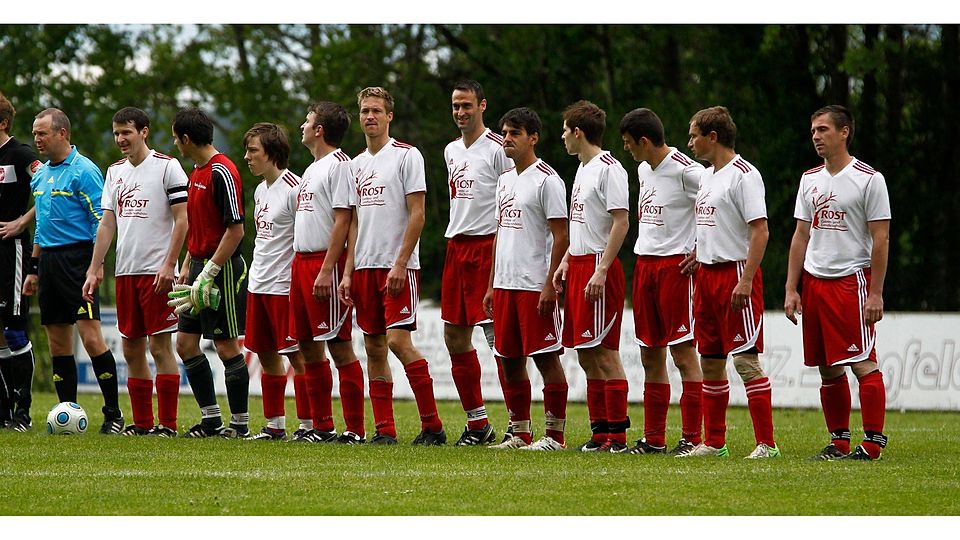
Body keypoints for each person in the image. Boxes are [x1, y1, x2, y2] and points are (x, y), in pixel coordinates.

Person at [339, 86, 445, 445]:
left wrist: (401, 263)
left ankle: (433, 425)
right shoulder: (354, 165)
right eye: (364, 111)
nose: (369, 116)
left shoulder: (406, 156)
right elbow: (352, 223)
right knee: (373, 347)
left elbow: (418, 214)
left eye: (376, 111)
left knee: (399, 341)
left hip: (396, 267)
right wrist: (348, 272)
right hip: (365, 267)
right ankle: (385, 429)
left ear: (389, 116)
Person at [785, 105, 890, 461]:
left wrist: (875, 292)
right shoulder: (809, 179)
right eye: (813, 130)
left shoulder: (868, 178)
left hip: (851, 281)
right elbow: (800, 235)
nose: (816, 136)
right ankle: (839, 441)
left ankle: (873, 442)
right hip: (815, 282)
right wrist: (791, 287)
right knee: (827, 367)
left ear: (844, 132)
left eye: (823, 129)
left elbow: (881, 238)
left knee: (861, 362)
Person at [81, 107, 187, 437]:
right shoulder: (114, 172)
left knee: (159, 347)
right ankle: (141, 424)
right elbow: (107, 223)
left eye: (126, 132)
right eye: (116, 133)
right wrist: (95, 267)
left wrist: (170, 263)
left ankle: (167, 425)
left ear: (143, 131)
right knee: (130, 347)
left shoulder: (168, 167)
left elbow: (183, 220)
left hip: (157, 272)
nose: (120, 139)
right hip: (126, 273)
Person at [680, 106, 778, 459]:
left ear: (713, 137)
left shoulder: (744, 175)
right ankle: (715, 442)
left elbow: (760, 230)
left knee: (745, 361)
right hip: (705, 276)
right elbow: (712, 222)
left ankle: (767, 444)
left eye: (694, 136)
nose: (689, 142)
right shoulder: (707, 176)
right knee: (710, 360)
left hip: (735, 274)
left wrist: (747, 279)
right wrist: (697, 250)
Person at [23, 108, 124, 433]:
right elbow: (40, 226)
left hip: (79, 261)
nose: (37, 139)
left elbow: (102, 222)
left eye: (43, 133)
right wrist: (34, 269)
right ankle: (67, 412)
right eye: (35, 133)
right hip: (50, 263)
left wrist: (96, 267)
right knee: (57, 342)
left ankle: (113, 415)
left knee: (91, 337)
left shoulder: (85, 171)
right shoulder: (39, 175)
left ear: (62, 133)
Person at [619, 108, 704, 456]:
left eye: (628, 144)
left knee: (683, 353)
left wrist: (703, 247)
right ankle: (654, 438)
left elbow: (719, 201)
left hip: (675, 269)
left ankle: (692, 437)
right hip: (645, 266)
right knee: (649, 354)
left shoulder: (688, 171)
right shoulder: (643, 169)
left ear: (644, 141)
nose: (626, 150)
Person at [484, 107, 570, 451]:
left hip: (534, 285)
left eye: (514, 133)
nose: (507, 139)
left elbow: (561, 236)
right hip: (505, 285)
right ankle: (519, 433)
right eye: (504, 133)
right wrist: (491, 284)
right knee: (509, 359)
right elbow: (499, 233)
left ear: (532, 138)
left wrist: (550, 283)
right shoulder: (504, 180)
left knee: (546, 357)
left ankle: (555, 436)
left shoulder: (548, 180)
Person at [553, 100, 630, 453]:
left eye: (566, 130)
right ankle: (600, 433)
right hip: (581, 263)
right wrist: (567, 259)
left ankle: (618, 435)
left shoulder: (608, 169)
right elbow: (582, 224)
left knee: (604, 353)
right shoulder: (582, 169)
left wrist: (600, 270)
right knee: (585, 353)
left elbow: (620, 221)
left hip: (599, 266)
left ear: (578, 132)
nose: (563, 136)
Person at [167, 107, 249, 438]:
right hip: (200, 266)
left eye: (176, 138)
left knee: (227, 347)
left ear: (187, 139)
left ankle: (240, 426)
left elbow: (236, 230)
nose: (175, 143)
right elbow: (198, 228)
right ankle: (211, 421)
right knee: (185, 344)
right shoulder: (195, 172)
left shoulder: (222, 172)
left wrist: (210, 270)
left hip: (223, 268)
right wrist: (188, 265)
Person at [290, 101, 367, 444]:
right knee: (307, 346)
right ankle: (321, 426)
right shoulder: (311, 169)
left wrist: (328, 271)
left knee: (338, 344)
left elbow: (344, 220)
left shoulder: (339, 165)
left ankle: (354, 429)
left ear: (319, 130)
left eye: (307, 122)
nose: (302, 127)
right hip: (301, 262)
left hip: (325, 263)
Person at [442, 80, 513, 446]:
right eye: (456, 106)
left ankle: (519, 423)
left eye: (467, 105)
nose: (460, 112)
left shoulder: (500, 149)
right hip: (457, 247)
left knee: (496, 339)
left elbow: (512, 202)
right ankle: (478, 424)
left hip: (488, 247)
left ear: (482, 106)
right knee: (453, 336)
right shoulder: (451, 150)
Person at [239, 122, 310, 441]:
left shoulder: (295, 187)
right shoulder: (259, 189)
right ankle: (275, 425)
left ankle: (309, 425)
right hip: (258, 285)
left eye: (253, 150)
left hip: (284, 287)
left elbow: (307, 237)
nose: (247, 157)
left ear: (272, 152)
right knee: (266, 354)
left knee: (297, 355)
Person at [0, 93, 41, 431]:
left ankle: (22, 412)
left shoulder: (21, 154)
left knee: (14, 330)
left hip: (11, 251)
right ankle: (3, 411)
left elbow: (47, 188)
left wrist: (22, 221)